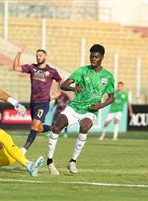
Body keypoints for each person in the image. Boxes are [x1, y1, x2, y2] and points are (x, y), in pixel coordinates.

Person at [46, 44, 115, 175]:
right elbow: (64, 85)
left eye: (96, 57)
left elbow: (111, 98)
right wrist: (73, 88)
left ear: (102, 58)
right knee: (56, 128)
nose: (93, 59)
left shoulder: (108, 77)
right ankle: (50, 162)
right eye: (91, 56)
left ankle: (72, 161)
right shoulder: (82, 71)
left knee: (84, 128)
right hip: (75, 107)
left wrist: (101, 105)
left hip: (91, 110)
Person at [13, 46, 62, 153]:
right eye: (37, 56)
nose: (38, 57)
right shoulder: (32, 68)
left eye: (40, 55)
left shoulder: (52, 71)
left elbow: (60, 80)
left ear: (45, 57)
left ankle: (24, 149)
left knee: (34, 126)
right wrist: (18, 53)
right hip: (33, 102)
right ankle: (55, 127)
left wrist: (57, 93)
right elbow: (15, 68)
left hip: (43, 103)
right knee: (39, 128)